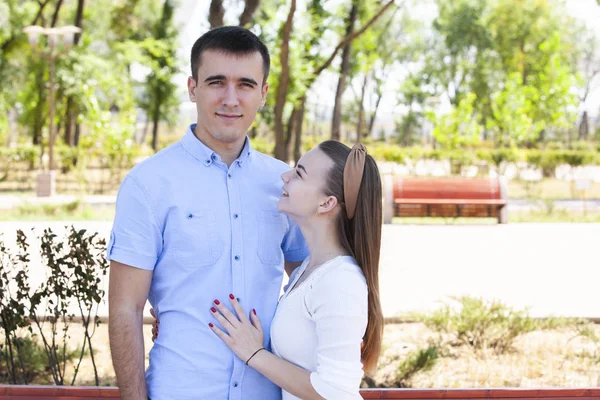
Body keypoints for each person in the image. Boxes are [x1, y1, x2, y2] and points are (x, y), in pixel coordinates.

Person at [107, 26, 308, 400]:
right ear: (192, 88)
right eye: (217, 82)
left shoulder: (285, 184)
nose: (230, 99)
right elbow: (125, 309)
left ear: (263, 94)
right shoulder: (148, 183)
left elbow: (312, 284)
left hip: (267, 393)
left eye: (246, 84)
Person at [153, 141, 385, 399]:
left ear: (326, 203)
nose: (285, 177)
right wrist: (183, 321)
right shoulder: (307, 271)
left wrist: (255, 354)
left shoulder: (340, 281)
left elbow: (335, 391)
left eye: (299, 173)